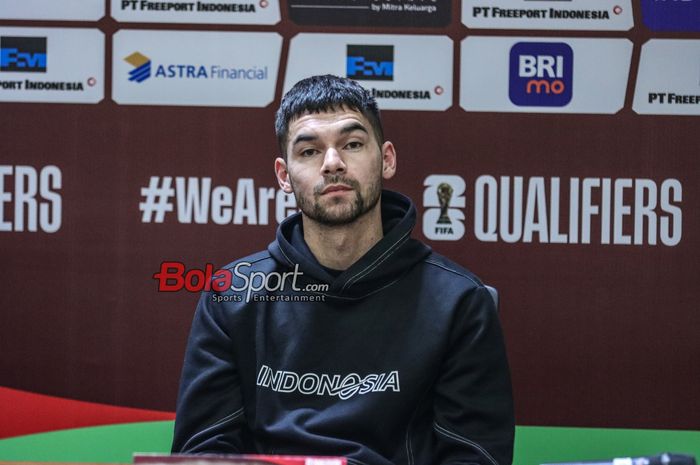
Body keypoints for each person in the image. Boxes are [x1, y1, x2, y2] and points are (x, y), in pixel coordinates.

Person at [171, 75, 515, 465]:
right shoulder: (231, 296)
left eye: (352, 144)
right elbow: (201, 454)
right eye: (309, 152)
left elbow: (475, 458)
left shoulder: (459, 302)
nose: (333, 163)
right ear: (284, 176)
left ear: (386, 159)